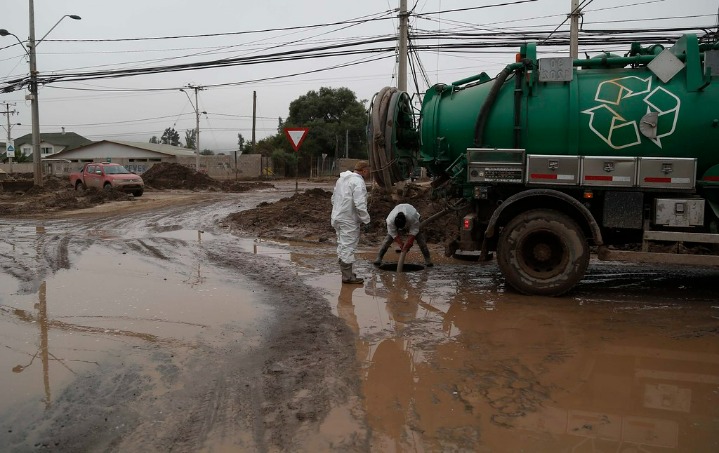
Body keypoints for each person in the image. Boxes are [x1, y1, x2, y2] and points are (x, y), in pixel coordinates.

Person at [331, 160, 371, 284]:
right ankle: (347, 277)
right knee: (348, 246)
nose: (369, 172)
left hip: (337, 217)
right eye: (368, 170)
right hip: (348, 219)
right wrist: (366, 220)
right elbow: (360, 204)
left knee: (342, 244)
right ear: (364, 170)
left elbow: (333, 199)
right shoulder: (358, 182)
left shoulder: (341, 180)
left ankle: (347, 273)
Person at [373, 203, 433, 267]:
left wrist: (410, 241)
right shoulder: (390, 220)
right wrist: (400, 244)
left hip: (412, 216)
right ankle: (379, 258)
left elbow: (414, 229)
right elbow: (392, 233)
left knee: (420, 239)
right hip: (398, 216)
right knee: (388, 239)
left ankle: (428, 259)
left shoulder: (412, 217)